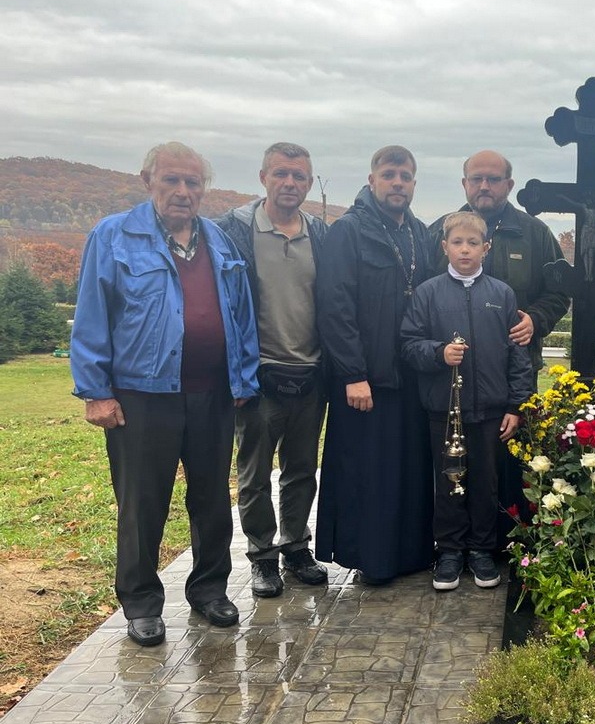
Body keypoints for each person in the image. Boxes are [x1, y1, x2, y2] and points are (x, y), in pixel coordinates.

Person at [70, 142, 259, 646]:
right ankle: (140, 604)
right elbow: (91, 316)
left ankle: (209, 590)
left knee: (213, 500)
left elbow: (239, 315)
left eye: (192, 182)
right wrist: (95, 391)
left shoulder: (219, 241)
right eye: (172, 180)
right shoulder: (114, 237)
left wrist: (242, 377)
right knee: (142, 503)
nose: (182, 191)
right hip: (141, 397)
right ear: (148, 180)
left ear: (203, 188)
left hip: (212, 394)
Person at [315, 145, 434, 585]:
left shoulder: (418, 232)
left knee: (406, 469)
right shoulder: (348, 231)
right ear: (372, 180)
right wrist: (352, 373)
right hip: (365, 379)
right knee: (369, 472)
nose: (397, 182)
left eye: (405, 176)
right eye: (389, 174)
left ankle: (410, 554)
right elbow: (334, 305)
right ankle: (372, 559)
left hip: (409, 374)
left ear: (414, 184)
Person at [215, 143, 329, 598]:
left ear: (308, 181)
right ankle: (262, 556)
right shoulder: (233, 231)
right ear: (263, 176)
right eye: (281, 174)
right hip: (258, 376)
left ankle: (296, 546)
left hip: (311, 373)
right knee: (255, 473)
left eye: (299, 176)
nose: (290, 183)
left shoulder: (320, 234)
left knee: (301, 469)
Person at [400, 211, 534, 590]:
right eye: (457, 242)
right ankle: (449, 551)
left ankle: (481, 550)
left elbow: (517, 355)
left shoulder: (502, 294)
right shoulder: (428, 293)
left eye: (473, 243)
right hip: (443, 411)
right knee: (449, 481)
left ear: (486, 249)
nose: (464, 249)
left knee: (485, 482)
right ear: (445, 246)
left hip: (492, 410)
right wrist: (438, 353)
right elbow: (409, 345)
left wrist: (515, 406)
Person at [428, 150, 569, 372]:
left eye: (493, 179)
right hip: (451, 366)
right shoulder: (439, 232)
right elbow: (420, 296)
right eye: (476, 179)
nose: (484, 186)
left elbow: (559, 292)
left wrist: (535, 319)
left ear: (509, 185)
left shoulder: (535, 234)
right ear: (465, 183)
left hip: (516, 366)